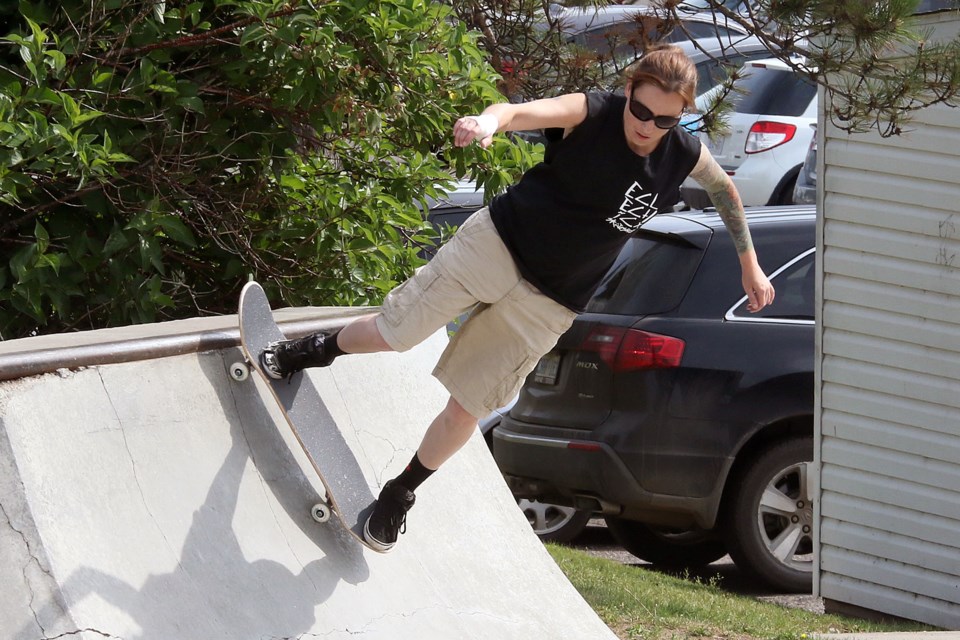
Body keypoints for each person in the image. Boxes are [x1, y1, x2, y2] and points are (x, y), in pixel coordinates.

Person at [261, 44, 775, 553]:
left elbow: (725, 191)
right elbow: (515, 112)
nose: (646, 127)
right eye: (640, 111)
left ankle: (400, 493)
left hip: (552, 299)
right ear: (627, 93)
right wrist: (486, 123)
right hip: (499, 245)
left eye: (663, 120)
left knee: (468, 408)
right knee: (394, 335)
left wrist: (749, 263)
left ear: (682, 113)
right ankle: (311, 351)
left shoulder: (683, 153)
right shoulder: (592, 111)